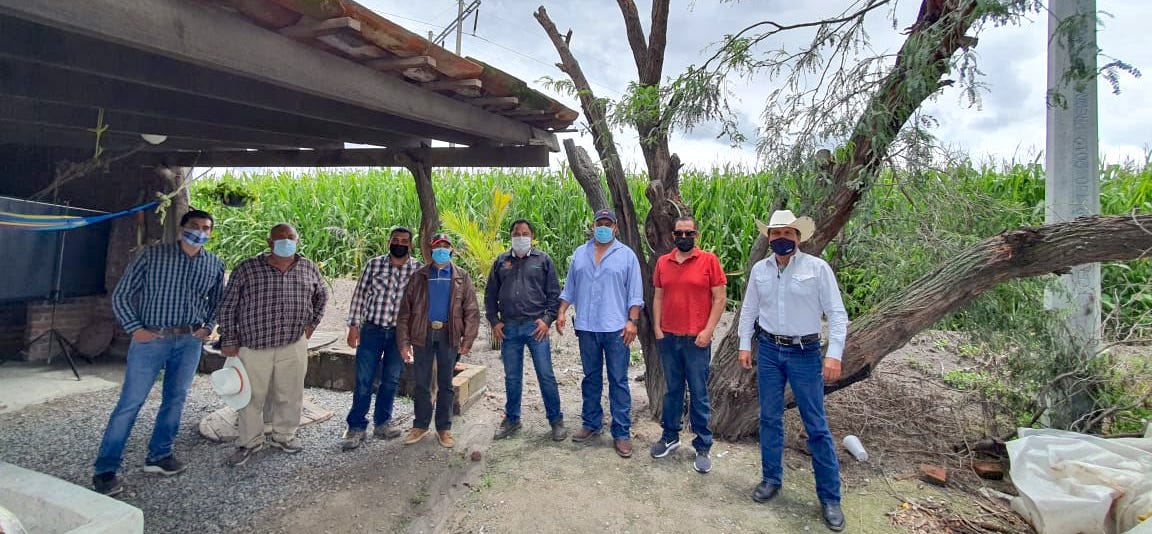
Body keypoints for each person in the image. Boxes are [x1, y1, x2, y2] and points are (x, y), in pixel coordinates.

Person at [93, 210, 225, 496]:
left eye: (206, 228)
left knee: (176, 399)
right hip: (151, 339)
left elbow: (218, 301)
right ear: (181, 229)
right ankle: (106, 469)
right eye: (195, 226)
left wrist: (208, 326)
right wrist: (134, 328)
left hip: (189, 341)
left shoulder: (213, 263)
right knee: (131, 402)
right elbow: (122, 294)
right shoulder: (151, 256)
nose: (201, 232)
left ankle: (159, 456)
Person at [737, 210, 848, 532]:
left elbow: (837, 315)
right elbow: (749, 311)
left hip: (805, 352)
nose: (781, 239)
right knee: (769, 418)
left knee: (816, 425)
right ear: (768, 238)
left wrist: (834, 355)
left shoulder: (817, 269)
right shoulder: (761, 270)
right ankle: (772, 478)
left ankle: (830, 498)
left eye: (788, 233)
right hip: (770, 350)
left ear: (798, 238)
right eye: (775, 234)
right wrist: (746, 344)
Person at [218, 223, 328, 467]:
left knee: (290, 393)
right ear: (269, 242)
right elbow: (227, 306)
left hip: (293, 343)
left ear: (297, 240)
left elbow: (322, 295)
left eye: (291, 237)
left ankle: (284, 436)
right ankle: (249, 441)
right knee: (250, 397)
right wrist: (229, 338)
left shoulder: (307, 267)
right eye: (280, 238)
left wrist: (313, 324)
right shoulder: (247, 269)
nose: (286, 241)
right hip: (254, 344)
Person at [556, 209, 644, 458]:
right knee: (591, 377)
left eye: (608, 223)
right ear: (593, 226)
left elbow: (635, 294)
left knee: (618, 380)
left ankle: (621, 433)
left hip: (616, 328)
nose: (603, 227)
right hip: (586, 327)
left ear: (615, 227)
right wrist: (562, 312)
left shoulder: (626, 256)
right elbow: (569, 288)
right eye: (599, 223)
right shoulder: (580, 254)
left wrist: (632, 321)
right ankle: (591, 423)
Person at [649, 216, 727, 474]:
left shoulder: (709, 261)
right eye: (679, 233)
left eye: (689, 233)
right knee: (672, 391)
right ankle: (670, 436)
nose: (684, 237)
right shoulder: (663, 262)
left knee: (699, 392)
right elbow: (659, 295)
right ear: (672, 235)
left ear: (697, 234)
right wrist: (658, 328)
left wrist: (708, 330)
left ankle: (703, 446)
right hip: (669, 338)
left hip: (697, 340)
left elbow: (719, 298)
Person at [341, 227, 422, 451]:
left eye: (404, 241)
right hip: (372, 330)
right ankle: (356, 426)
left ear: (410, 245)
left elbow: (419, 305)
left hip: (399, 334)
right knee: (364, 380)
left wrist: (413, 337)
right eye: (395, 240)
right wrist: (353, 326)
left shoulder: (417, 270)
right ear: (389, 242)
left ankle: (383, 423)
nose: (399, 243)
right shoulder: (374, 265)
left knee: (391, 380)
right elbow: (359, 295)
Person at [396, 233, 479, 449]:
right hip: (423, 334)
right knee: (422, 382)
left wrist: (468, 338)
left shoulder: (462, 277)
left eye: (445, 247)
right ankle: (421, 425)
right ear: (431, 250)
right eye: (437, 247)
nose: (441, 250)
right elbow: (405, 311)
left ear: (451, 250)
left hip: (448, 335)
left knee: (445, 384)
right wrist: (404, 343)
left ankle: (444, 428)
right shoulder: (419, 276)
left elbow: (471, 310)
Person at [485, 219, 565, 441]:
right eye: (516, 233)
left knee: (545, 375)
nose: (521, 236)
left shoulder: (543, 261)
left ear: (532, 237)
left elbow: (553, 294)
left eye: (525, 233)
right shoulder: (501, 262)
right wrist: (494, 321)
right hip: (509, 328)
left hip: (535, 327)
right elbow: (490, 295)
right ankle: (512, 419)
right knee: (512, 377)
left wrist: (547, 320)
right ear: (510, 236)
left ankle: (556, 421)